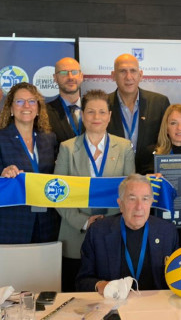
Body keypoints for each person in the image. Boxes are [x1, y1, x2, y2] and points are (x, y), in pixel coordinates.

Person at [55, 89, 136, 291]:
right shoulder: (67, 148)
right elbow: (57, 195)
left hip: (114, 233)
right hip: (75, 233)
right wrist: (84, 222)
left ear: (109, 116)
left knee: (114, 294)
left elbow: (130, 193)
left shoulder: (124, 147)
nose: (96, 117)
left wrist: (107, 223)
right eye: (90, 112)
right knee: (76, 294)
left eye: (102, 112)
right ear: (82, 115)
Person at [75, 174, 179, 293]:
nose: (139, 207)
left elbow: (177, 278)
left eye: (145, 199)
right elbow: (82, 281)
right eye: (132, 199)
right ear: (120, 204)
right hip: (113, 302)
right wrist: (100, 285)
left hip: (156, 303)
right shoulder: (98, 232)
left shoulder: (167, 232)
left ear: (151, 202)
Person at [0, 83, 60, 244]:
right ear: (11, 109)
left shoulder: (49, 138)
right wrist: (3, 173)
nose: (26, 106)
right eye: (20, 101)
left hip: (47, 222)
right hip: (12, 222)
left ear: (38, 108)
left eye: (32, 101)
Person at [107, 53, 170, 174]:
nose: (129, 77)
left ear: (140, 75)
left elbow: (167, 141)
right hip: (115, 176)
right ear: (113, 75)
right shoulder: (103, 105)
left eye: (133, 71)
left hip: (151, 175)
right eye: (122, 71)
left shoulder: (160, 102)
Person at [151, 103, 181, 246]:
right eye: (173, 123)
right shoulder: (151, 156)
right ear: (166, 128)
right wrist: (149, 182)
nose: (179, 128)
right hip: (160, 226)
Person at [47, 57, 86, 144]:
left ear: (81, 76)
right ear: (55, 78)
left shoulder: (94, 109)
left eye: (74, 72)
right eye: (63, 73)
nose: (70, 77)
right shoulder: (45, 112)